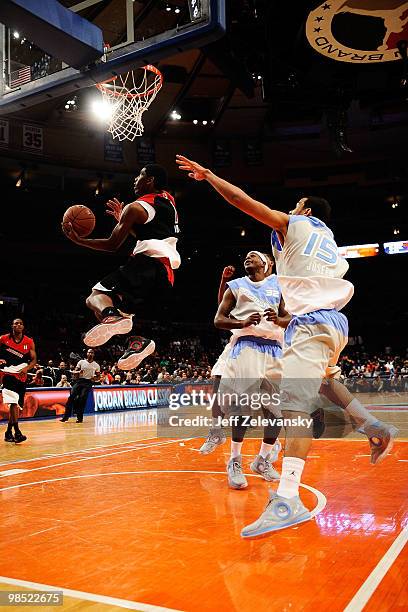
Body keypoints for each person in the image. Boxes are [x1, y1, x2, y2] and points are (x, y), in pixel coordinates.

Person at [176, 154, 398, 537]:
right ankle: (371, 423)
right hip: (330, 322)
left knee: (295, 410)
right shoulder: (326, 237)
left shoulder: (298, 223)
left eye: (296, 204)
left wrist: (209, 175)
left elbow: (242, 202)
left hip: (311, 324)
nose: (291, 208)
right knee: (325, 383)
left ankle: (288, 498)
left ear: (306, 209)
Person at [62, 164, 180, 371]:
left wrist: (79, 240)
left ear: (150, 180)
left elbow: (112, 244)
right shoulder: (168, 200)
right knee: (123, 313)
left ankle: (112, 316)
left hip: (146, 263)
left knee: (95, 296)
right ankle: (137, 342)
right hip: (168, 274)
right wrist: (125, 222)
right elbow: (153, 231)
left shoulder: (135, 207)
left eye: (140, 175)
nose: (136, 179)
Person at [213, 251, 289, 489]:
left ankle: (263, 460)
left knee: (276, 412)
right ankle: (234, 460)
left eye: (253, 256)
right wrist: (242, 323)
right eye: (246, 257)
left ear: (268, 263)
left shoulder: (279, 283)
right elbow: (218, 319)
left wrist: (278, 320)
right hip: (247, 345)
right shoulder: (235, 286)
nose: (248, 258)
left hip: (275, 348)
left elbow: (291, 318)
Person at [0, 318, 37, 443]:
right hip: (8, 374)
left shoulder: (29, 341)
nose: (18, 325)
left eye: (21, 323)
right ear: (12, 326)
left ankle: (8, 432)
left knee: (16, 405)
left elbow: (34, 360)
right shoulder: (3, 339)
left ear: (23, 326)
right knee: (14, 403)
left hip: (21, 377)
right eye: (16, 323)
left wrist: (26, 369)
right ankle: (17, 432)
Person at [60, 349, 100, 423]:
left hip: (88, 382)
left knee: (82, 399)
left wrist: (94, 378)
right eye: (89, 352)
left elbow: (98, 377)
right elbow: (74, 372)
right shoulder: (81, 362)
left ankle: (79, 418)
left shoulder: (96, 365)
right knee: (71, 397)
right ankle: (66, 417)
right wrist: (79, 372)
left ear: (94, 354)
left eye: (92, 353)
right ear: (86, 353)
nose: (90, 354)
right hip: (79, 381)